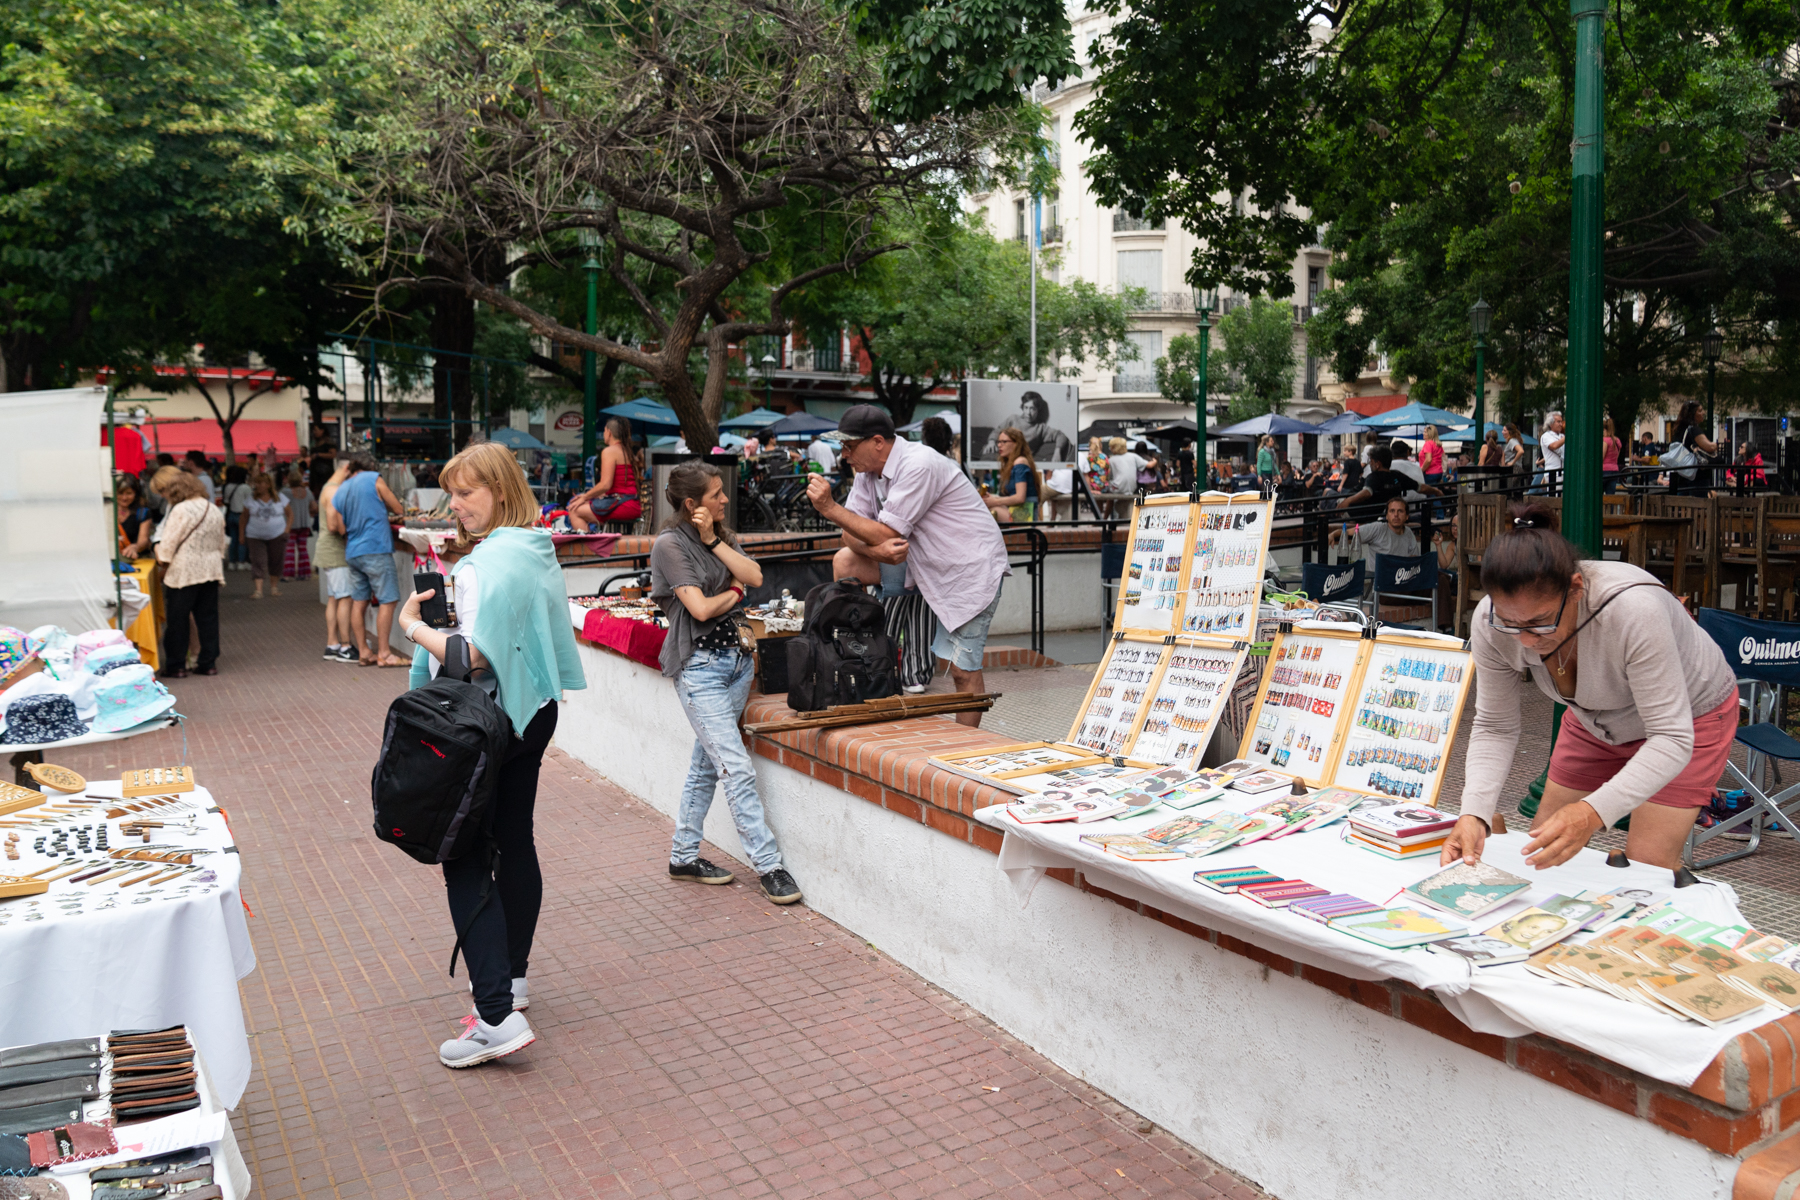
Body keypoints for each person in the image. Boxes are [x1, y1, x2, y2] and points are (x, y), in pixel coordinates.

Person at [397, 442, 587, 1069]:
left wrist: (414, 629)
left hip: (484, 724)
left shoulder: (482, 566)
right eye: (452, 492)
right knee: (514, 840)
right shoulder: (533, 546)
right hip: (533, 713)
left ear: (500, 491)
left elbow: (470, 657)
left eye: (468, 492)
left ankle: (495, 1017)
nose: (455, 505)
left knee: (466, 857)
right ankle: (515, 977)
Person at [1443, 503, 1738, 871]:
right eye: (1510, 623)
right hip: (1595, 720)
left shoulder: (1633, 611)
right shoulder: (1490, 622)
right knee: (1546, 853)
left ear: (1576, 589)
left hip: (1690, 716)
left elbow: (1670, 737)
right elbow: (1495, 725)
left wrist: (1592, 812)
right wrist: (1474, 812)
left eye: (1539, 623)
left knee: (1649, 866)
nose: (1526, 641)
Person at [650, 461, 804, 904]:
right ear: (691, 504)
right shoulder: (668, 545)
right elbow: (699, 609)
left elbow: (755, 576)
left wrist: (715, 541)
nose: (724, 500)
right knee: (734, 766)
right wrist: (734, 593)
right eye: (716, 494)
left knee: (706, 765)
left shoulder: (719, 535)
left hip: (738, 664)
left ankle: (683, 856)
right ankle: (770, 866)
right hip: (699, 668)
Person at [808, 405, 1009, 727]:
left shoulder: (920, 463)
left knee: (962, 669)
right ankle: (855, 651)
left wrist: (830, 508)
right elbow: (851, 534)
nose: (844, 454)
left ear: (877, 442)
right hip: (918, 563)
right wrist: (879, 550)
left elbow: (885, 533)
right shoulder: (866, 472)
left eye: (849, 445)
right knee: (846, 561)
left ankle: (966, 747)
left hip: (969, 569)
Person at [336, 452, 407, 666]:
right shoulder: (373, 479)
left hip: (353, 551)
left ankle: (365, 652)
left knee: (359, 602)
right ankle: (384, 653)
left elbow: (340, 528)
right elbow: (398, 508)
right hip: (375, 548)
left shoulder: (341, 489)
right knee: (388, 599)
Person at [154, 472, 226, 679]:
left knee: (178, 619)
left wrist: (160, 555)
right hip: (210, 569)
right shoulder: (212, 508)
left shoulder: (180, 509)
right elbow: (221, 541)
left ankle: (176, 665)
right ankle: (208, 662)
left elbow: (168, 544)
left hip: (184, 571)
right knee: (208, 618)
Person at [568, 418, 644, 531]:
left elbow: (605, 484)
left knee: (574, 511)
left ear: (609, 432)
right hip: (632, 504)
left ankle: (590, 547)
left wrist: (584, 496)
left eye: (604, 431)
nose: (604, 434)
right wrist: (590, 495)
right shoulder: (628, 452)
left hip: (621, 506)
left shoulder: (609, 451)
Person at [315, 461, 357, 663]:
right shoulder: (334, 491)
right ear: (347, 468)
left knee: (334, 597)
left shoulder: (327, 488)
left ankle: (332, 644)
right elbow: (333, 524)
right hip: (335, 550)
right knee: (345, 597)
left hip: (327, 550)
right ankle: (346, 647)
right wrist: (347, 533)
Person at [981, 391, 1074, 463]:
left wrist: (1057, 451)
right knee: (987, 456)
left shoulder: (1041, 428)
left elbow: (1061, 436)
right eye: (1026, 408)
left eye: (1032, 409)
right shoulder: (1013, 419)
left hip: (1019, 461)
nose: (1028, 413)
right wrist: (992, 441)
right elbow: (997, 430)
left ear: (1038, 410)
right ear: (1022, 407)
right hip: (1001, 455)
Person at [1330, 496, 1419, 571]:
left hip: (1404, 580)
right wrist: (1333, 534)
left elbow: (1415, 560)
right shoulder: (1378, 528)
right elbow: (1348, 532)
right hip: (1383, 583)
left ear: (1407, 516)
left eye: (1400, 511)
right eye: (1392, 511)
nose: (1396, 515)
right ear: (1387, 515)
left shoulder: (1408, 533)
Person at [240, 473, 291, 600]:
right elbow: (243, 517)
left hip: (277, 534)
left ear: (268, 484)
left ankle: (274, 587)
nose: (258, 485)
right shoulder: (251, 499)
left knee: (276, 560)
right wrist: (241, 534)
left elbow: (290, 514)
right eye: (256, 482)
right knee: (258, 561)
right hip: (255, 535)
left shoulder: (280, 497)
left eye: (261, 482)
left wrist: (286, 530)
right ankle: (258, 590)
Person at [983, 427, 1041, 523]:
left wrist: (995, 501)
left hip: (1024, 516)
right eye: (998, 442)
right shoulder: (1013, 463)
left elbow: (1020, 497)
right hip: (1017, 511)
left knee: (989, 508)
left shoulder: (1020, 462)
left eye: (1004, 442)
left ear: (1016, 444)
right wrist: (992, 499)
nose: (999, 445)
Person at [1335, 445, 1410, 516]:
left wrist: (1348, 501)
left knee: (1329, 496)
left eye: (1371, 461)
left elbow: (1367, 492)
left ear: (1377, 464)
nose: (1370, 463)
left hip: (1358, 513)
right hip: (1374, 512)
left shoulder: (1373, 477)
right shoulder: (1397, 475)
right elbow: (1420, 487)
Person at [1668, 400, 1722, 495]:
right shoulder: (1694, 429)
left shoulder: (1678, 430)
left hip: (1683, 473)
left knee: (1682, 504)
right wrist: (1715, 445)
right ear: (1692, 414)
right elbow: (1709, 447)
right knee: (1699, 504)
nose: (1703, 413)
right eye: (1700, 411)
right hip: (1697, 476)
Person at [283, 466, 316, 581]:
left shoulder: (285, 492)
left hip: (291, 524)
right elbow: (314, 507)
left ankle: (288, 574)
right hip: (305, 523)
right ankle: (305, 573)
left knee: (290, 549)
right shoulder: (307, 492)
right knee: (303, 548)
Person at [220, 464, 251, 571]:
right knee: (242, 539)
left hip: (231, 514)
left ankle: (232, 562)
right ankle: (241, 561)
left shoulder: (228, 487)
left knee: (233, 539)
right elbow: (250, 503)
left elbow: (226, 501)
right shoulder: (246, 488)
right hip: (242, 515)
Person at [115, 476, 153, 559]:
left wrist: (135, 547)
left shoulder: (142, 513)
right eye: (120, 493)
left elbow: (144, 540)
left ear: (136, 494)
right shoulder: (108, 511)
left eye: (129, 493)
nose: (124, 498)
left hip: (137, 559)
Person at [1537, 411, 1566, 493]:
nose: (1561, 424)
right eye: (1558, 422)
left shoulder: (1561, 436)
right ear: (1551, 424)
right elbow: (1553, 446)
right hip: (1553, 472)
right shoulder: (1546, 436)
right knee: (1554, 498)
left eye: (1561, 421)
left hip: (1563, 471)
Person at [1601, 416, 1622, 495]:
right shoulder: (1617, 441)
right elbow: (1617, 457)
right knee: (1611, 496)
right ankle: (1611, 508)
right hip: (1614, 470)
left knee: (1598, 496)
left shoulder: (1605, 441)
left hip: (1604, 470)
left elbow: (1601, 457)